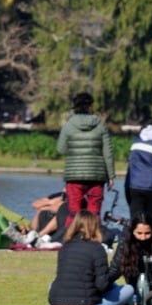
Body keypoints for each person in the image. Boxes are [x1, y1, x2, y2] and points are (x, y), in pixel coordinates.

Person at [48, 210, 134, 305]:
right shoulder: (97, 249)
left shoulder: (64, 248)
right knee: (129, 289)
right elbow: (101, 285)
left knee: (52, 284)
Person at [56, 91, 115, 222]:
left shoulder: (68, 125)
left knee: (73, 212)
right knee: (94, 212)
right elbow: (108, 152)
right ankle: (93, 239)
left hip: (74, 175)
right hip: (96, 176)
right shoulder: (100, 125)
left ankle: (73, 239)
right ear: (90, 106)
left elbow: (61, 149)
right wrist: (111, 176)